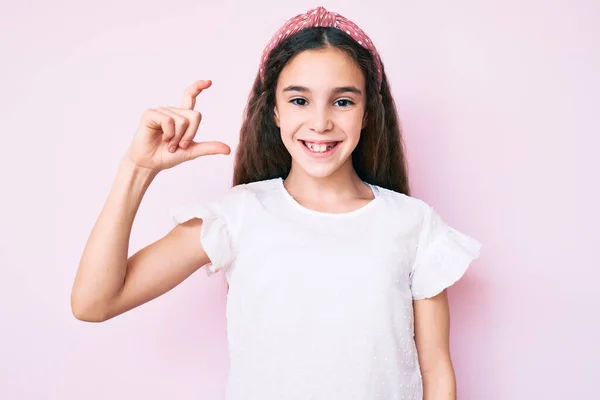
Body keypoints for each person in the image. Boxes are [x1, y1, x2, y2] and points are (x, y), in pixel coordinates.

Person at [71, 6, 482, 400]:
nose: (320, 123)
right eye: (299, 100)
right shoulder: (239, 215)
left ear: (367, 113)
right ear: (275, 112)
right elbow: (94, 303)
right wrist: (137, 168)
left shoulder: (413, 223)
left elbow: (435, 369)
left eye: (343, 101)